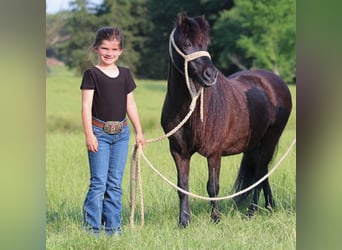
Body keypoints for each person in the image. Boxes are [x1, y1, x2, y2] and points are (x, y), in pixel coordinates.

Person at [80, 26, 145, 237]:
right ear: (96, 48)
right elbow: (86, 106)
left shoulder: (125, 74)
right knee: (99, 183)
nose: (109, 53)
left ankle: (113, 229)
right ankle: (92, 229)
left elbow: (131, 105)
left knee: (115, 185)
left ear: (121, 51)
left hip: (122, 135)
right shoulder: (92, 74)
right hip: (99, 133)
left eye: (114, 49)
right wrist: (89, 134)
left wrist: (139, 131)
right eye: (105, 48)